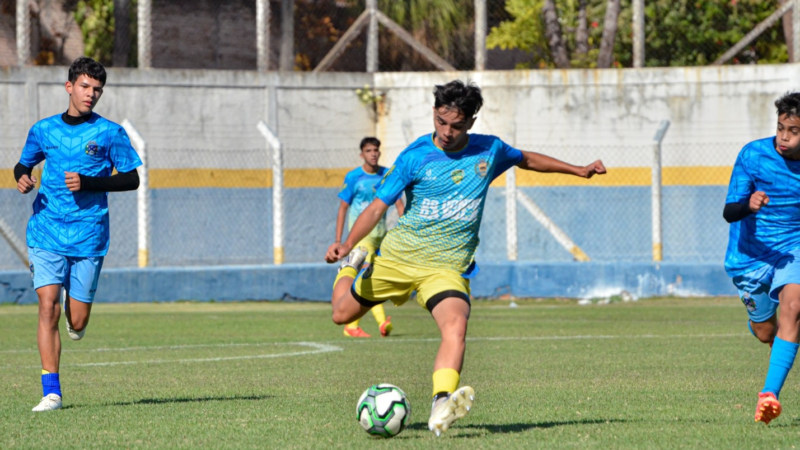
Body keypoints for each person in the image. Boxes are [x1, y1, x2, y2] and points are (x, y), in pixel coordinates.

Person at [324, 80, 606, 436]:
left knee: (456, 325)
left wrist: (578, 170)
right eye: (441, 122)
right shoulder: (414, 156)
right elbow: (378, 206)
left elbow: (528, 159)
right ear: (434, 114)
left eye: (456, 125)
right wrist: (347, 245)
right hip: (397, 259)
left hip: (445, 268)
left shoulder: (489, 151)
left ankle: (441, 403)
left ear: (471, 122)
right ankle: (352, 269)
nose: (446, 132)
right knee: (341, 315)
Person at [15, 56, 142, 412]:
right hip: (46, 231)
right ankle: (51, 392)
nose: (91, 94)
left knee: (77, 319)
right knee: (46, 307)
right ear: (69, 86)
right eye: (85, 87)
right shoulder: (43, 130)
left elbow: (131, 178)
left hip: (89, 235)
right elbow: (23, 164)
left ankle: (79, 317)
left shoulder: (109, 132)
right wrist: (22, 177)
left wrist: (90, 182)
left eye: (97, 89)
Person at [723, 91, 800, 425]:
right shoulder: (753, 155)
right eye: (781, 127)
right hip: (750, 257)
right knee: (767, 334)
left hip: (793, 249)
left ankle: (769, 395)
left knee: (794, 307)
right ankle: (786, 334)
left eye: (793, 131)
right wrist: (749, 204)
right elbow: (729, 211)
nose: (784, 136)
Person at [334, 137, 404, 338]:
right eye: (369, 150)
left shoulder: (386, 175)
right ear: (361, 154)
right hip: (362, 239)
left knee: (371, 279)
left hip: (381, 238)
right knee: (367, 277)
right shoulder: (354, 177)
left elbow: (399, 205)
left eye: (376, 150)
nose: (373, 153)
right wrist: (339, 241)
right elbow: (342, 208)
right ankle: (374, 323)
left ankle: (354, 324)